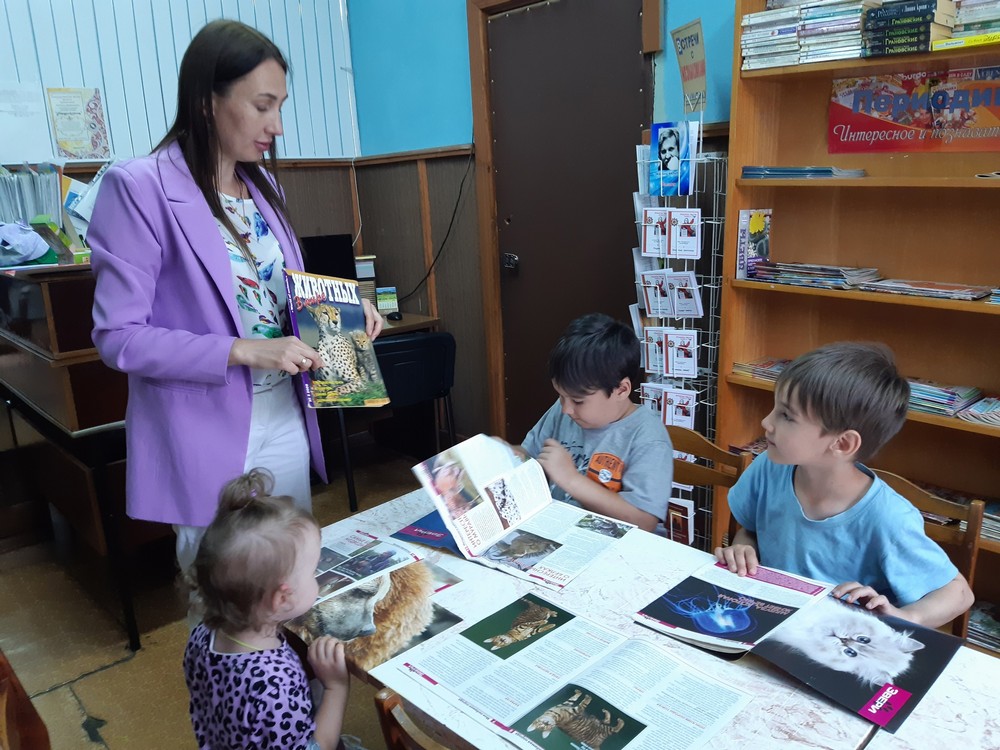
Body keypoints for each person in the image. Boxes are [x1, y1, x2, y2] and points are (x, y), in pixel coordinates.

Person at [87, 19, 382, 572]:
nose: (278, 125)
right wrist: (240, 350)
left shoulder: (263, 187)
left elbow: (273, 302)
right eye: (263, 105)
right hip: (204, 427)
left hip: (285, 412)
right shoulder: (138, 187)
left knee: (289, 575)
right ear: (206, 102)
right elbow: (118, 337)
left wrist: (341, 316)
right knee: (220, 592)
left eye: (281, 106)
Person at [715, 342, 974, 629]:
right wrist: (743, 547)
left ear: (842, 443)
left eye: (786, 415)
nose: (766, 421)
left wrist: (907, 616)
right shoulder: (768, 467)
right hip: (768, 620)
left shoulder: (889, 518)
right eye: (775, 408)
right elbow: (749, 530)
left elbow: (959, 594)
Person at [183, 469, 349, 750]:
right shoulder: (274, 686)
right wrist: (336, 687)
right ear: (280, 599)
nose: (318, 577)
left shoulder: (203, 634)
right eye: (313, 570)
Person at [511, 313, 672, 533]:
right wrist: (502, 454)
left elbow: (644, 522)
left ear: (621, 390)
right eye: (560, 395)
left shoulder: (648, 436)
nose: (566, 409)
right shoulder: (564, 410)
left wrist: (571, 479)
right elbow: (529, 457)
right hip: (558, 531)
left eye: (578, 400)